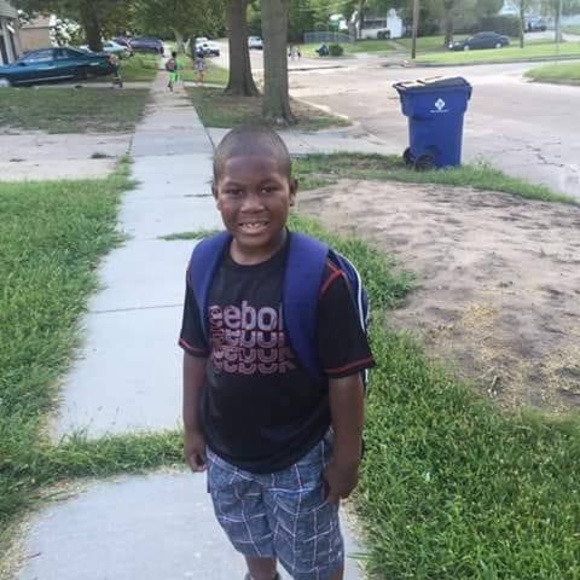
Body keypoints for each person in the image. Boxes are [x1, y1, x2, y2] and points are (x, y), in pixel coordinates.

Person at [179, 125, 375, 580]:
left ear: (292, 191)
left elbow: (345, 377)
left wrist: (346, 459)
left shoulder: (321, 277)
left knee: (313, 556)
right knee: (248, 533)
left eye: (268, 189)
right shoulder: (204, 264)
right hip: (227, 452)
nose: (252, 205)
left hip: (299, 456)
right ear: (216, 195)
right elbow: (196, 352)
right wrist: (192, 426)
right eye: (235, 191)